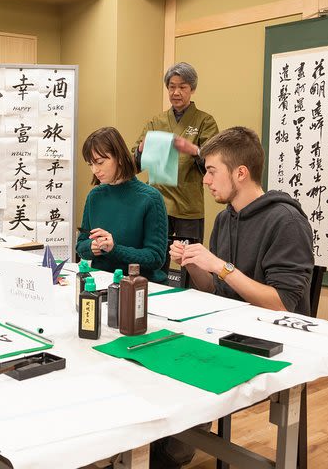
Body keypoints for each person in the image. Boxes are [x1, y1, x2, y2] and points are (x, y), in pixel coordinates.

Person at [170, 126, 314, 314]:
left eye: (212, 171)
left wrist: (221, 266)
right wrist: (192, 262)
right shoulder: (224, 219)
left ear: (240, 173)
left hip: (274, 338)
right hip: (228, 327)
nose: (205, 180)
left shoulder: (287, 222)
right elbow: (213, 289)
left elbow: (283, 304)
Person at [131, 62, 219, 242]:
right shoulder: (156, 121)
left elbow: (216, 162)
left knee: (190, 257)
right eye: (171, 87)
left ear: (192, 89)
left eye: (182, 87)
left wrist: (194, 150)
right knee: (156, 255)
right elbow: (133, 164)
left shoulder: (205, 121)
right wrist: (141, 149)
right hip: (157, 201)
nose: (176, 92)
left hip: (188, 204)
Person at [76, 127, 168, 283]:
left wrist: (114, 249)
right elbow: (81, 246)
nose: (95, 170)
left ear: (119, 157)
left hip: (141, 286)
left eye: (100, 162)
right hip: (102, 282)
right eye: (90, 164)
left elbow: (155, 257)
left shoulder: (150, 199)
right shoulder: (95, 196)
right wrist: (92, 247)